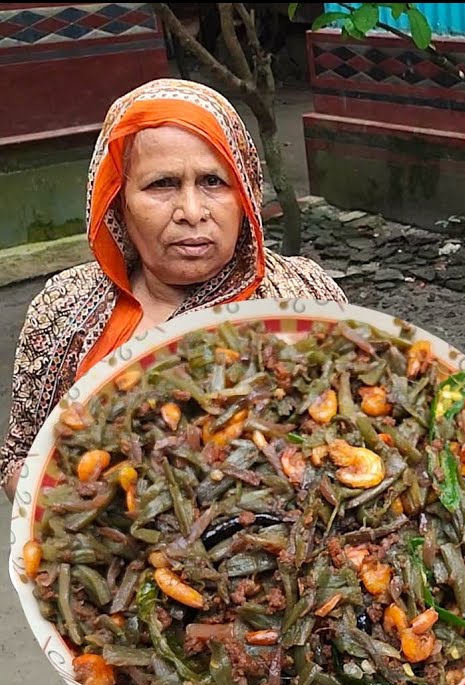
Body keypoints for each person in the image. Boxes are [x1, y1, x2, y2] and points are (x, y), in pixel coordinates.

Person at [1, 78, 347, 501]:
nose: (191, 212)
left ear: (245, 193)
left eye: (214, 182)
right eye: (161, 184)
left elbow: (356, 435)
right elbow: (19, 459)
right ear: (118, 199)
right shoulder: (62, 308)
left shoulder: (303, 296)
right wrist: (72, 499)